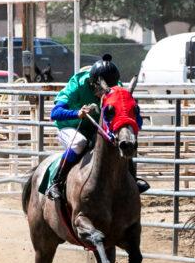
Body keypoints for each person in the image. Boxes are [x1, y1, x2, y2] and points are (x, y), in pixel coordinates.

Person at [46, 54, 148, 201]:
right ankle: (56, 182)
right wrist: (77, 113)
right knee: (79, 143)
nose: (104, 93)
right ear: (93, 83)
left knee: (121, 141)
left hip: (96, 129)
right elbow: (55, 113)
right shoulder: (77, 84)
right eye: (101, 89)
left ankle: (132, 180)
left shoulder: (115, 87)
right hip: (70, 127)